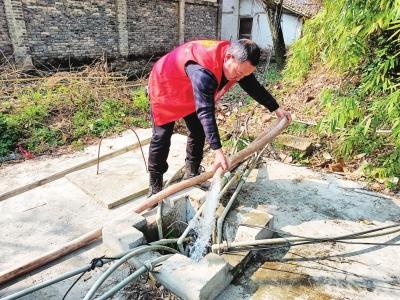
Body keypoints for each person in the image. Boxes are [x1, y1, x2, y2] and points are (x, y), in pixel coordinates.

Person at [147, 39, 292, 196]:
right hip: (166, 85)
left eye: (244, 74)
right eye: (238, 73)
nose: (238, 78)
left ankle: (192, 173)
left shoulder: (238, 64)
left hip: (191, 86)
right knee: (161, 137)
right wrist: (218, 152)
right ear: (228, 57)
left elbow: (253, 87)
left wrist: (276, 108)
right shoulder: (203, 72)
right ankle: (155, 186)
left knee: (198, 130)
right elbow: (205, 111)